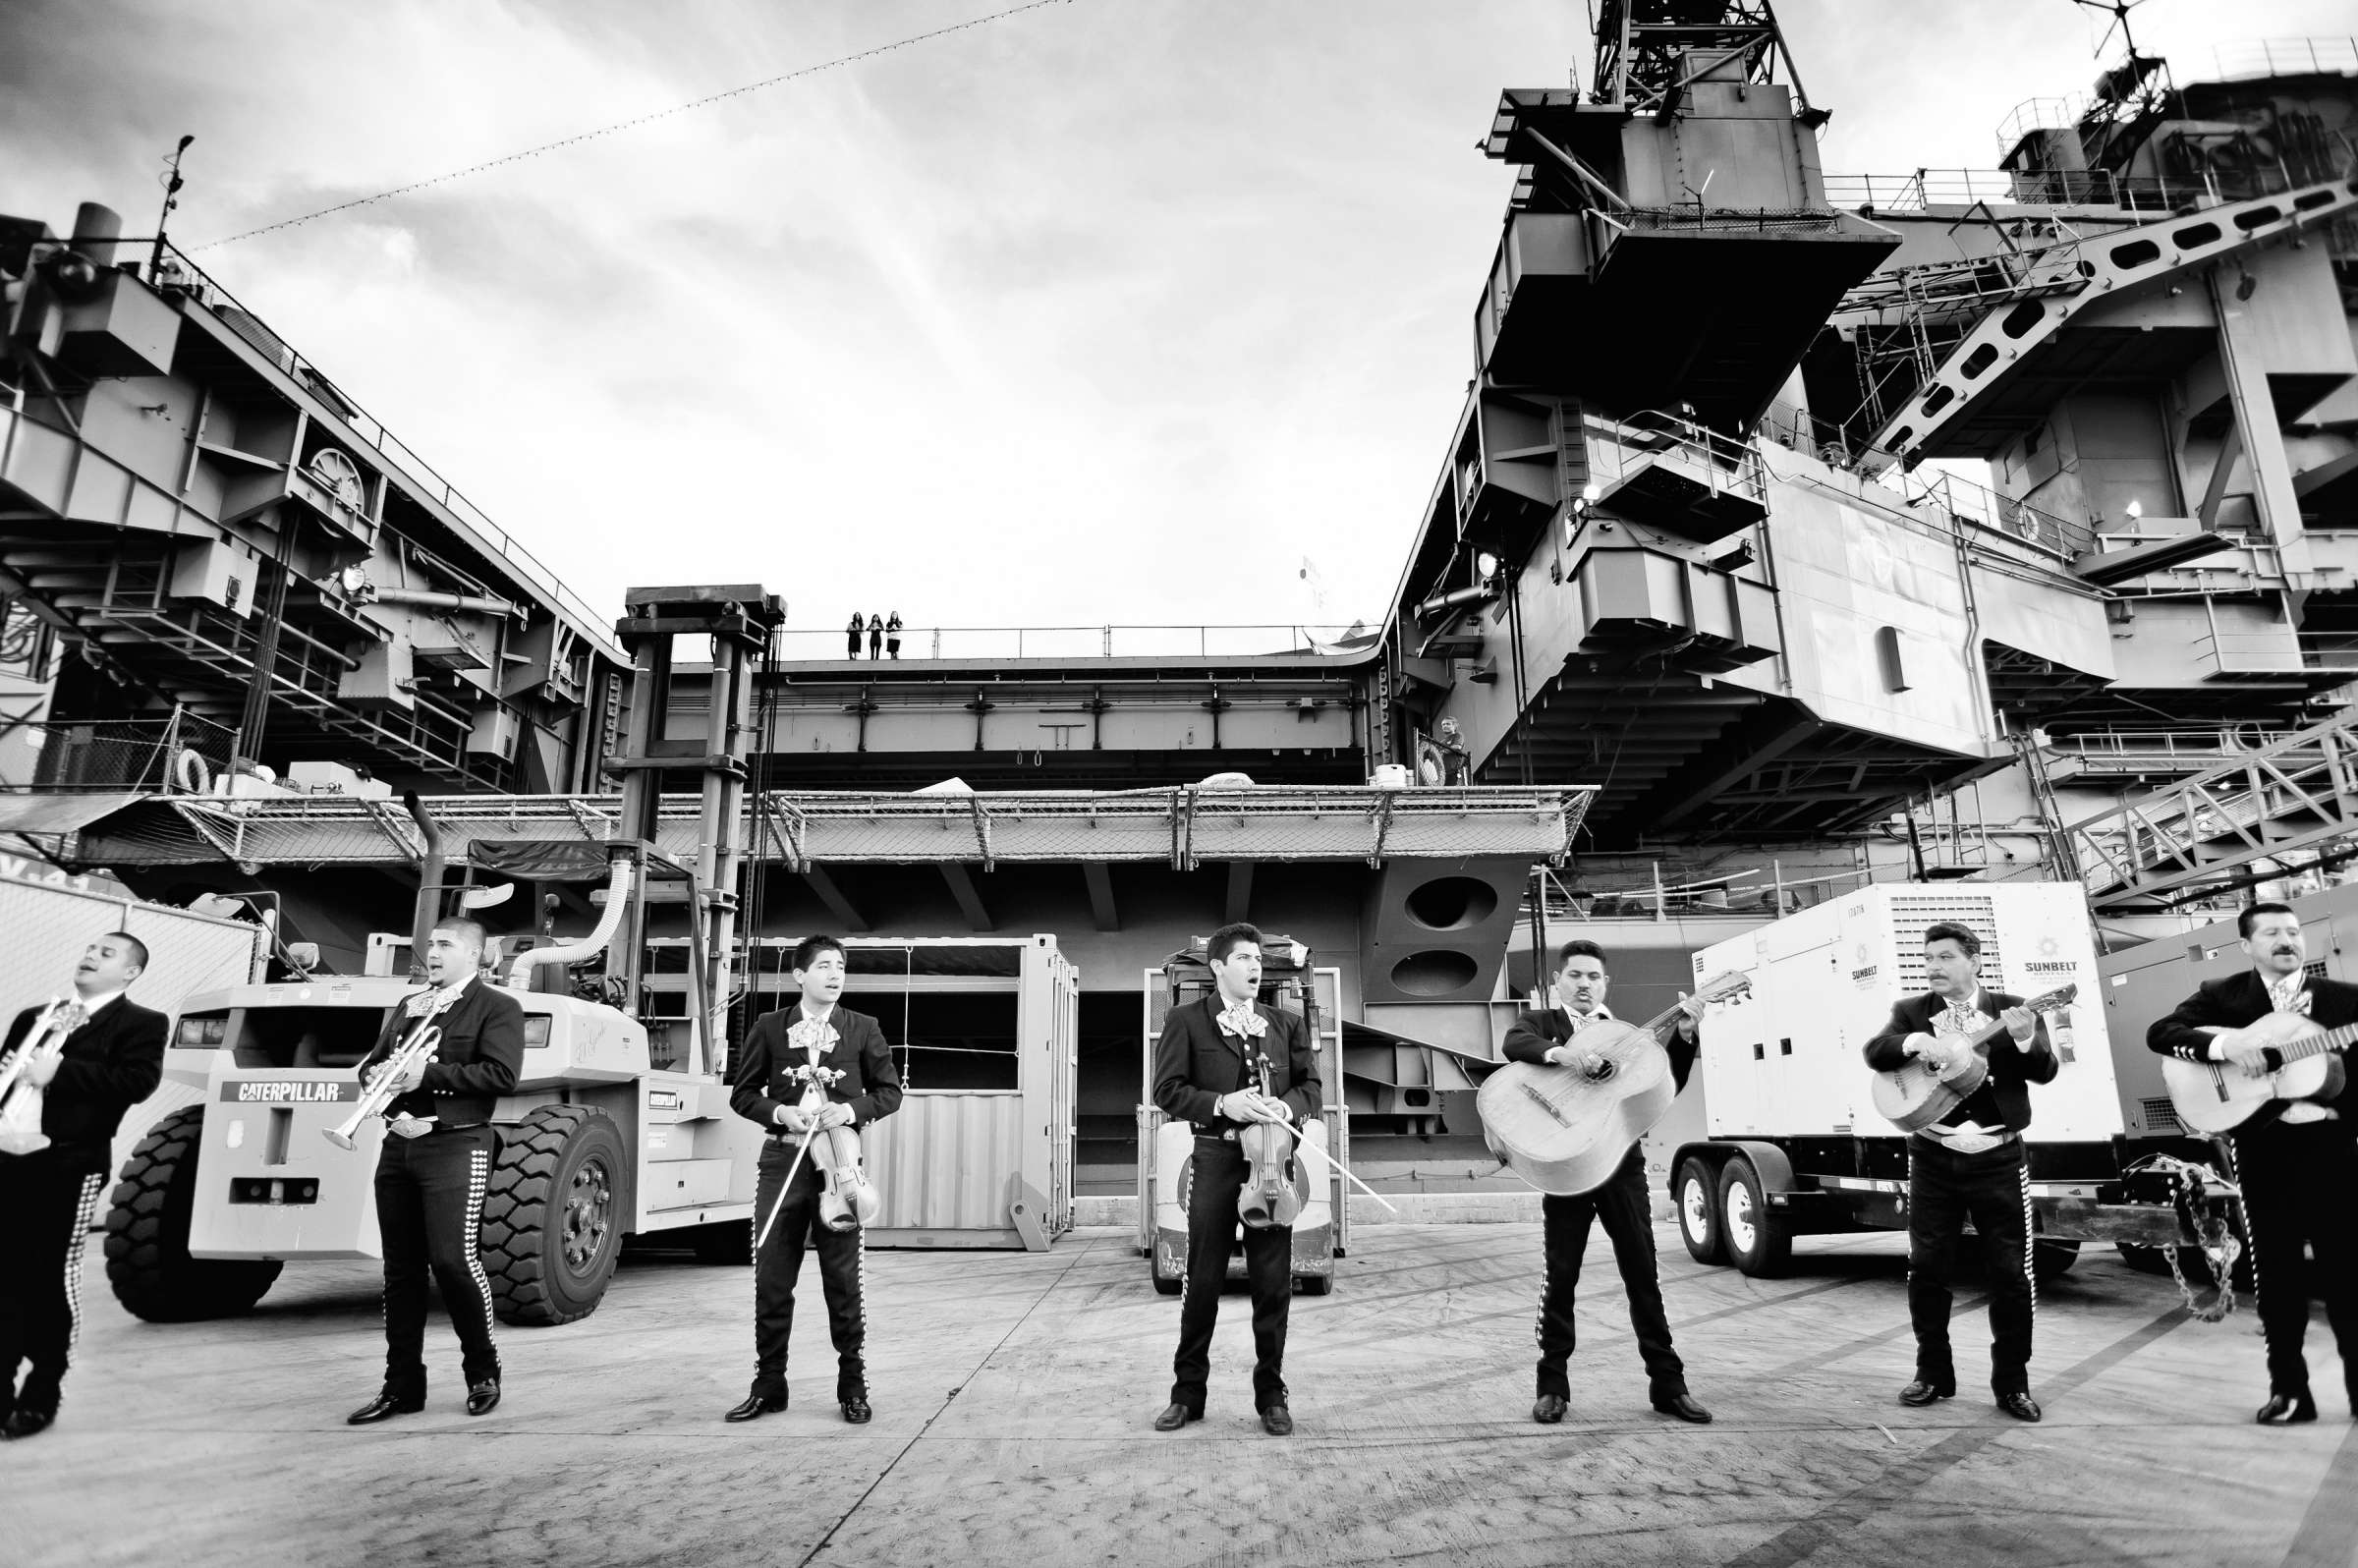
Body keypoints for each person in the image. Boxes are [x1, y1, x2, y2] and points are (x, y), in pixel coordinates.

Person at [2147, 902, 2358, 1425]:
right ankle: (2289, 1390)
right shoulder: (2225, 996)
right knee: (2277, 1276)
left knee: (2348, 1274)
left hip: (2334, 1150)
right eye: (2271, 933)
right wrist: (2227, 1043)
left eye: (2293, 931)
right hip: (2264, 1152)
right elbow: (2162, 1033)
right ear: (2247, 945)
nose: (2286, 940)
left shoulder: (2343, 1001)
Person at [1502, 939, 1712, 1426]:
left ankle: (1669, 1385)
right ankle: (1552, 1385)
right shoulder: (1544, 1024)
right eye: (1574, 975)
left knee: (1643, 1275)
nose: (1583, 984)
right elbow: (1515, 1043)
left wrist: (1683, 1036)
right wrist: (1564, 1056)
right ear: (1558, 982)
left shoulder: (1629, 1037)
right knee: (1561, 1277)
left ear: (1605, 984)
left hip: (1621, 1164)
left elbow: (1665, 1088)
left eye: (1593, 977)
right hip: (1568, 1168)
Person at [1862, 922, 2054, 1423]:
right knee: (1927, 1268)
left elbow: (2045, 1070)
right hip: (1933, 1156)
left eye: (1945, 958)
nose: (1933, 967)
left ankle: (2012, 1384)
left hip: (1999, 1156)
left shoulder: (2015, 1007)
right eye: (1928, 959)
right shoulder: (1911, 1012)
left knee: (2011, 1273)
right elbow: (1874, 1053)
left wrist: (2026, 1037)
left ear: (1974, 961)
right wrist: (1911, 1043)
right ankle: (1932, 1374)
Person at [345, 918, 524, 1425]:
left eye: (445, 945)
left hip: (456, 1143)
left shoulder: (498, 1007)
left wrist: (429, 1074)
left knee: (453, 1261)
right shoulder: (411, 1005)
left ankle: (483, 1372)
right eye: (430, 945)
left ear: (476, 955)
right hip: (400, 1144)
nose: (433, 953)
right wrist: (378, 1080)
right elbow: (372, 1064)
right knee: (399, 1273)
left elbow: (502, 1075)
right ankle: (401, 1386)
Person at [1151, 923, 1322, 1436]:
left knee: (1273, 1285)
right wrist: (1223, 1103)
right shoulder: (1186, 1020)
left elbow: (1312, 1087)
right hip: (1215, 1161)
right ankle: (1187, 1395)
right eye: (1244, 959)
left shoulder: (1284, 1024)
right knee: (1201, 1281)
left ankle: (1272, 1395)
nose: (1255, 967)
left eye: (1259, 960)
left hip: (1272, 1165)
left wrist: (1283, 1107)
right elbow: (1167, 1090)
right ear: (1218, 967)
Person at [726, 934, 902, 1425]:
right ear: (800, 975)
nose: (835, 973)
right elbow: (742, 1095)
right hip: (782, 1161)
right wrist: (781, 1111)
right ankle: (769, 1385)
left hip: (839, 1164)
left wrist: (848, 1108)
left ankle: (853, 1384)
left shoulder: (862, 1028)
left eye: (840, 965)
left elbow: (889, 1092)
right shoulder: (770, 1026)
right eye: (824, 965)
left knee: (843, 1281)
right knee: (772, 1278)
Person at [0, 932, 166, 1440]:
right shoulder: (37, 1015)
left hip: (69, 1164)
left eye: (107, 953)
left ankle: (43, 1389)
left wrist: (63, 1072)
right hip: (8, 1159)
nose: (91, 955)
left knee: (51, 1276)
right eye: (91, 949)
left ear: (131, 972)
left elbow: (137, 1082)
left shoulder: (142, 1023)